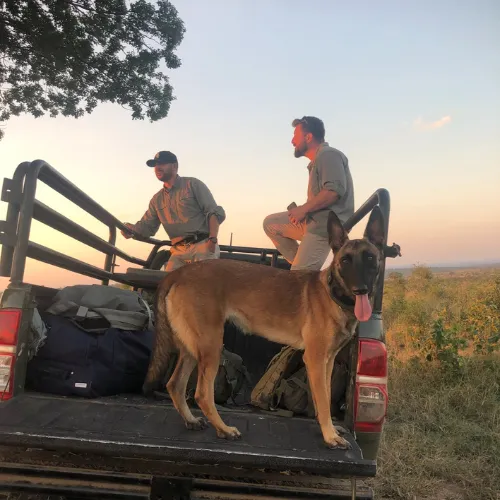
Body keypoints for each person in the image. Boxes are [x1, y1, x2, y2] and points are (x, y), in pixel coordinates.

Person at [263, 116, 354, 271]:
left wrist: (303, 210)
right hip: (312, 221)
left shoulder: (328, 154)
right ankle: (302, 265)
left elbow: (333, 191)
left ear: (308, 137)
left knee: (297, 280)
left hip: (325, 226)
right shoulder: (317, 160)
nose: (292, 141)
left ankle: (302, 273)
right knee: (270, 224)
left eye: (295, 136)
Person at [122, 150, 226, 272]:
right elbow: (147, 227)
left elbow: (213, 212)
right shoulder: (157, 200)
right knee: (166, 285)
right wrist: (131, 230)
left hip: (202, 246)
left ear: (175, 166)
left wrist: (212, 240)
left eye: (162, 164)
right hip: (177, 251)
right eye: (155, 165)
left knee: (203, 287)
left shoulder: (192, 184)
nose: (157, 168)